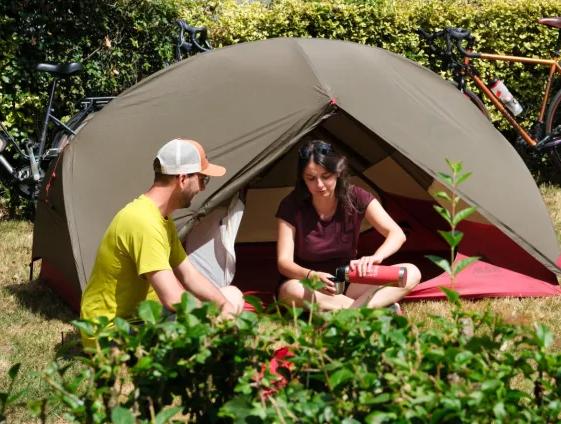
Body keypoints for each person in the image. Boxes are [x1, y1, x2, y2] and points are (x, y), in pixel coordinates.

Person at [80, 138, 245, 349]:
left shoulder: (160, 218)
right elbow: (172, 297)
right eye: (203, 179)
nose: (202, 188)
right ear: (183, 179)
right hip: (110, 334)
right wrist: (213, 316)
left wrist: (223, 305)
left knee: (233, 296)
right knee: (209, 328)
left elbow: (190, 275)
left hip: (143, 318)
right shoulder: (143, 221)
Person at [276, 140, 421, 313]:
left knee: (410, 273)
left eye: (326, 176)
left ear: (338, 172)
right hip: (309, 283)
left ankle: (351, 313)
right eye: (311, 178)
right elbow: (283, 262)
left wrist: (376, 257)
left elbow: (396, 233)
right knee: (290, 290)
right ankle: (375, 309)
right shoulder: (291, 205)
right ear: (303, 178)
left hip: (347, 280)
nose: (319, 185)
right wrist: (311, 275)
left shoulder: (356, 196)